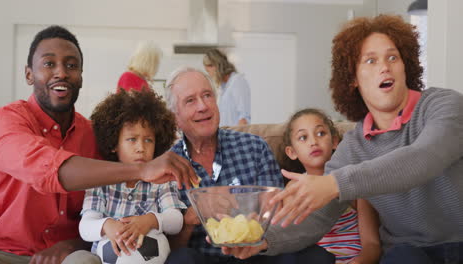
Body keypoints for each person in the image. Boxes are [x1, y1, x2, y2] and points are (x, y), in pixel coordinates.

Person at [269, 15, 463, 264]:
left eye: (393, 57)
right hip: (407, 255)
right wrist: (262, 241)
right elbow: (318, 217)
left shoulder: (444, 105)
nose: (385, 67)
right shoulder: (353, 146)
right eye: (371, 61)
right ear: (353, 79)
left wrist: (334, 183)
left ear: (406, 66)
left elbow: (424, 157)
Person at [0, 25, 196, 264]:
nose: (61, 73)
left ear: (80, 75)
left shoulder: (93, 135)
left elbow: (103, 213)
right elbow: (48, 169)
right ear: (29, 74)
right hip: (6, 253)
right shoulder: (7, 121)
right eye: (49, 64)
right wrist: (143, 169)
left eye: (71, 65)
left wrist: (73, 244)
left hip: (70, 255)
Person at [163, 66, 335, 264]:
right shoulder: (168, 165)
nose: (203, 106)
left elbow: (277, 220)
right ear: (175, 116)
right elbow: (169, 247)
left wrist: (256, 220)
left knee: (316, 257)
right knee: (179, 260)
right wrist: (188, 221)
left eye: (207, 95)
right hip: (202, 258)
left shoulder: (254, 147)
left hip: (255, 255)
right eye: (190, 101)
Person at [79, 89, 186, 260]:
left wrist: (149, 221)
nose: (140, 148)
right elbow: (85, 227)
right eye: (132, 139)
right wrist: (108, 225)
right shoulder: (100, 181)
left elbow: (176, 221)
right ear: (114, 143)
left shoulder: (162, 180)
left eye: (148, 140)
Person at [283, 108, 381, 264]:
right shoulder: (293, 189)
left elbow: (372, 245)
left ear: (335, 142)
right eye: (303, 137)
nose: (313, 142)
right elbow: (292, 240)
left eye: (321, 133)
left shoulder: (354, 182)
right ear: (292, 152)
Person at [203, 49, 251, 126]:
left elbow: (244, 117)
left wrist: (236, 136)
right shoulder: (221, 88)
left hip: (234, 135)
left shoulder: (237, 81)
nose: (210, 75)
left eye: (209, 71)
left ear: (216, 65)